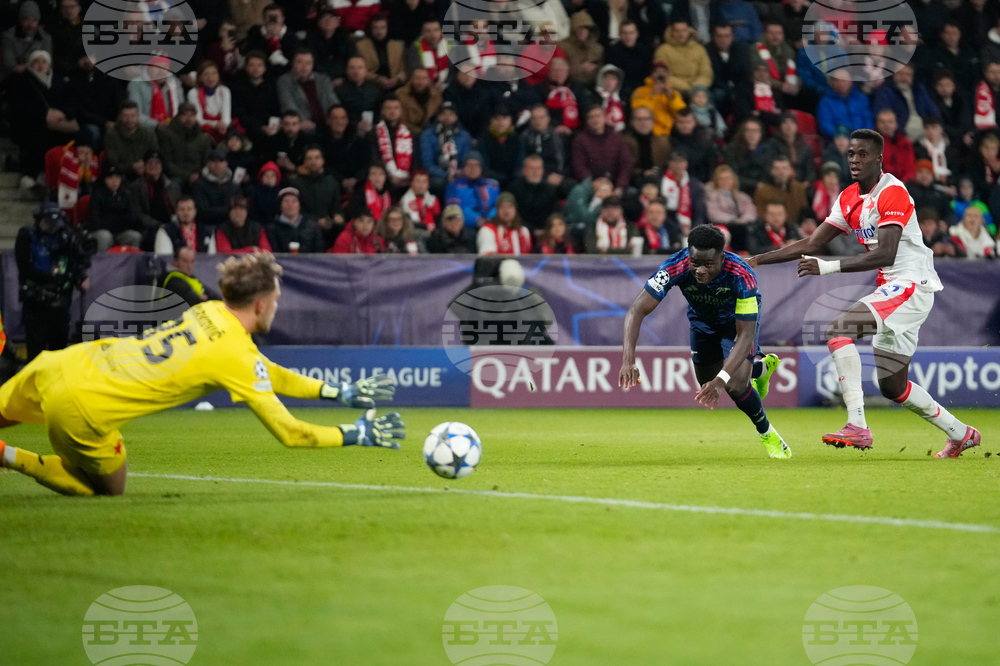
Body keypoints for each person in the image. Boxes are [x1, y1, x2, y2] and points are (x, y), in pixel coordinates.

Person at [0, 252, 404, 496]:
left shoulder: (207, 310)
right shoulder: (235, 355)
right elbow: (291, 433)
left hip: (60, 363)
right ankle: (8, 456)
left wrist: (336, 393)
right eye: (276, 300)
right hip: (83, 408)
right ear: (261, 305)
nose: (276, 308)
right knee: (108, 487)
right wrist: (357, 433)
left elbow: (269, 373)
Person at [748, 129, 980, 457]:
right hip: (893, 288)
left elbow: (885, 254)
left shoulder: (893, 192)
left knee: (837, 329)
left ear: (878, 158)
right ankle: (961, 433)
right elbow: (813, 243)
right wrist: (757, 260)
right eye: (851, 154)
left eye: (863, 155)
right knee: (893, 386)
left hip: (912, 284)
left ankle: (857, 425)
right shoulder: (848, 197)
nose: (855, 160)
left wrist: (827, 268)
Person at [620, 224, 792, 459]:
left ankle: (767, 433)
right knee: (706, 381)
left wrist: (721, 381)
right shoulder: (674, 266)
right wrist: (628, 360)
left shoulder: (741, 275)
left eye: (708, 264)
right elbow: (636, 310)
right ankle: (761, 368)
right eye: (695, 263)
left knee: (734, 383)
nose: (700, 270)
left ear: (722, 257)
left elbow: (745, 336)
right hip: (702, 324)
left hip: (737, 325)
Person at [15, 203, 89, 361]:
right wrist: (50, 277)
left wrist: (80, 276)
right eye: (48, 223)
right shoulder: (27, 235)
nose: (53, 228)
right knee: (36, 349)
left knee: (59, 349)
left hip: (61, 300)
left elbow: (75, 262)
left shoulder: (66, 236)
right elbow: (24, 268)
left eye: (55, 224)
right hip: (36, 299)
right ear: (40, 220)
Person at [871, 65, 940, 143]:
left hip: (925, 135)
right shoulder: (885, 92)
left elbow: (934, 112)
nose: (904, 77)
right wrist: (901, 135)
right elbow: (883, 118)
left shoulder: (919, 89)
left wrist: (932, 128)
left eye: (908, 75)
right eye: (900, 73)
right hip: (901, 136)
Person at [572, 105, 633, 191]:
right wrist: (594, 184)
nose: (595, 120)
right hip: (591, 186)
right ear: (587, 121)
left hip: (615, 184)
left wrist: (620, 186)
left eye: (598, 116)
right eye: (591, 117)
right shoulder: (580, 140)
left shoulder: (617, 137)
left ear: (605, 118)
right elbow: (580, 167)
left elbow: (625, 163)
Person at [277, 50, 339, 132]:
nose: (304, 66)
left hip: (326, 122)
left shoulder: (323, 80)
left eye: (308, 63)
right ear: (293, 63)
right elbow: (288, 105)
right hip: (302, 124)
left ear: (312, 65)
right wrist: (300, 121)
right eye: (300, 62)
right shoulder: (284, 81)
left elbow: (332, 100)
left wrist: (334, 118)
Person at [87, 164, 143, 252]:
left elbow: (133, 218)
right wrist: (118, 221)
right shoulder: (97, 195)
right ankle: (103, 264)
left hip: (120, 232)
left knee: (135, 236)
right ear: (105, 179)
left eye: (117, 178)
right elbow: (95, 222)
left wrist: (114, 222)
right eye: (111, 178)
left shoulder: (126, 194)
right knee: (105, 236)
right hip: (101, 231)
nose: (114, 181)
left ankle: (130, 263)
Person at [419, 101, 471, 193]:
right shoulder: (427, 135)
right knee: (437, 183)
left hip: (458, 173)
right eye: (443, 114)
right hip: (437, 174)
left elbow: (466, 159)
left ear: (456, 117)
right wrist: (446, 175)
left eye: (451, 114)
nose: (447, 117)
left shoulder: (464, 136)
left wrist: (456, 174)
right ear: (438, 116)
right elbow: (427, 162)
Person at [158, 102, 214, 187]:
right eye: (185, 115)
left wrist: (198, 174)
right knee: (173, 187)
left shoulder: (203, 137)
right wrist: (188, 176)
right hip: (176, 176)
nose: (189, 119)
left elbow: (207, 161)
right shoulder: (168, 135)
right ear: (178, 116)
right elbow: (167, 163)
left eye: (192, 115)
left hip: (199, 176)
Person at [129, 150, 179, 243]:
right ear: (144, 166)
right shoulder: (136, 187)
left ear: (162, 166)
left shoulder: (171, 185)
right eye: (150, 162)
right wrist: (159, 225)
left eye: (157, 163)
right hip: (149, 228)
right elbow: (138, 214)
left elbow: (177, 207)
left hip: (170, 224)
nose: (153, 165)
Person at [706, 23, 753, 122]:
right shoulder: (707, 51)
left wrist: (736, 90)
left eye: (727, 36)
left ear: (732, 37)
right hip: (718, 87)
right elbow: (711, 76)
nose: (723, 39)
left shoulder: (741, 49)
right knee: (718, 95)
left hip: (739, 87)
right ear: (713, 37)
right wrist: (729, 91)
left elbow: (746, 73)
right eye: (719, 36)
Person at [103, 100, 159, 181]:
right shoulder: (112, 135)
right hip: (121, 176)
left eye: (133, 116)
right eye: (126, 116)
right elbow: (111, 164)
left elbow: (154, 152)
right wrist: (132, 167)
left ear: (138, 116)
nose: (129, 120)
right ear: (120, 116)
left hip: (145, 173)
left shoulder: (148, 132)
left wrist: (149, 165)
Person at [652, 21, 713, 94]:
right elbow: (664, 75)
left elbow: (706, 73)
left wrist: (696, 87)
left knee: (704, 97)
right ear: (671, 33)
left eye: (684, 30)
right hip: (675, 89)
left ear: (690, 31)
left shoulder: (699, 49)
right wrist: (686, 87)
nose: (681, 34)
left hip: (698, 89)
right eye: (677, 31)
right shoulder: (663, 50)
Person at [706, 165, 756, 252]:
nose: (725, 181)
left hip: (742, 226)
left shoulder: (742, 196)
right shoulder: (712, 196)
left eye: (728, 178)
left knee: (751, 229)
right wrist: (734, 220)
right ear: (716, 181)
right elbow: (713, 214)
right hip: (723, 225)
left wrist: (744, 219)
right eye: (722, 179)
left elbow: (751, 211)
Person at [630, 62, 686, 137]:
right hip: (649, 131)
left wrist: (672, 97)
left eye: (663, 71)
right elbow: (639, 110)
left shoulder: (673, 92)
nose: (660, 74)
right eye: (657, 71)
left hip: (670, 132)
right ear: (651, 74)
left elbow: (682, 112)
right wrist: (653, 95)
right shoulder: (640, 91)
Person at [506, 155, 559, 234]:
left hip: (546, 232)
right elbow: (513, 215)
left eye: (538, 168)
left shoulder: (549, 189)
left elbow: (554, 213)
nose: (535, 172)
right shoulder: (514, 188)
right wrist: (533, 231)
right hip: (521, 230)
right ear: (524, 170)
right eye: (532, 169)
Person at [446, 152, 500, 228]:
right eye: (469, 165)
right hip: (465, 227)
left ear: (481, 168)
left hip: (490, 224)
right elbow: (453, 210)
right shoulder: (454, 186)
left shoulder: (492, 186)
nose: (473, 168)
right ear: (463, 167)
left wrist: (490, 219)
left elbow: (497, 206)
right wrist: (476, 220)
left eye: (476, 165)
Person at [1, 0, 51, 82]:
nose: (30, 24)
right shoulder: (8, 37)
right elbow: (9, 65)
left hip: (39, 78)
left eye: (34, 20)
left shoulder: (45, 38)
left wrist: (29, 67)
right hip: (12, 78)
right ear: (21, 21)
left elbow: (48, 64)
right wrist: (33, 66)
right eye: (27, 20)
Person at [372, 95, 414, 191]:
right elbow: (374, 158)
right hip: (384, 179)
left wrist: (411, 177)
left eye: (396, 108)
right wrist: (390, 177)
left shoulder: (409, 132)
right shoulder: (374, 132)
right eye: (389, 108)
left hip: (407, 180)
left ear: (401, 111)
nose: (392, 111)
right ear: (382, 111)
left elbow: (415, 158)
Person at [356, 13, 406, 91]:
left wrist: (397, 79)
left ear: (387, 28)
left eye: (382, 28)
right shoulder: (361, 46)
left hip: (396, 85)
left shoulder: (398, 46)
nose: (379, 31)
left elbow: (404, 70)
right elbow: (358, 70)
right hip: (370, 85)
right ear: (371, 29)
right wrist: (377, 78)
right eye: (375, 28)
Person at [762, 112, 815, 185]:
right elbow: (769, 167)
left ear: (796, 126)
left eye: (792, 123)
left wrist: (807, 183)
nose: (788, 126)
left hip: (801, 184)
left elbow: (811, 171)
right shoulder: (772, 144)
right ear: (780, 126)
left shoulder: (805, 147)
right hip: (779, 182)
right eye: (785, 123)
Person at [194, 149, 240, 229]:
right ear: (208, 164)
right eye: (214, 161)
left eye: (221, 161)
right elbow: (203, 211)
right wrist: (227, 211)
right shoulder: (199, 185)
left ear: (226, 164)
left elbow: (237, 209)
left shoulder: (234, 186)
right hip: (207, 226)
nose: (217, 164)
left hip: (230, 227)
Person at [188, 60, 233, 142]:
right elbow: (198, 120)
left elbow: (226, 117)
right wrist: (215, 124)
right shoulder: (193, 93)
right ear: (200, 77)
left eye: (214, 73)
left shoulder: (224, 91)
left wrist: (223, 125)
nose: (210, 78)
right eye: (206, 74)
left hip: (223, 128)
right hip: (203, 129)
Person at [606, 21, 651, 102]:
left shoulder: (644, 51)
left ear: (637, 34)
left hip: (642, 89)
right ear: (620, 34)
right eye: (625, 33)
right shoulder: (613, 51)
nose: (628, 36)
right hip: (622, 90)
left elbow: (648, 74)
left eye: (631, 33)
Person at [668, 108, 717, 184]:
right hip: (674, 181)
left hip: (700, 181)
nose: (685, 125)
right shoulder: (669, 141)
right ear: (675, 123)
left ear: (694, 122)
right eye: (681, 122)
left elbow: (710, 165)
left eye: (688, 122)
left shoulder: (705, 140)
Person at [268, 187, 324, 253]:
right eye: (286, 201)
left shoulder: (312, 227)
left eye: (294, 201)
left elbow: (320, 250)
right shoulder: (272, 228)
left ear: (299, 205)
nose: (290, 204)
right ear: (280, 206)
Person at [245, 4, 300, 70]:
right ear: (264, 19)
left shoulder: (291, 34)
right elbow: (251, 53)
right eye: (269, 17)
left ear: (282, 19)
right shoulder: (255, 32)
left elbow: (296, 55)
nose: (272, 20)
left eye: (275, 17)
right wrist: (265, 39)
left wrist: (281, 38)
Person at [754, 156, 808, 222]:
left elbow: (804, 210)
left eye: (784, 168)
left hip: (795, 228)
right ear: (772, 171)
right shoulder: (763, 191)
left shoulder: (799, 188)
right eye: (777, 169)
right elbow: (760, 214)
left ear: (790, 171)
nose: (781, 172)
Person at [479, 107, 522, 189]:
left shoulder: (517, 139)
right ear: (491, 121)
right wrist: (501, 179)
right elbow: (484, 165)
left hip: (514, 181)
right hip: (491, 181)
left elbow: (520, 163)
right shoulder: (484, 138)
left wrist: (512, 179)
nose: (500, 122)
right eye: (497, 119)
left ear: (510, 120)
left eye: (504, 118)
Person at [558, 11, 604, 87]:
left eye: (585, 28)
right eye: (579, 28)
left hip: (594, 86)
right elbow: (557, 70)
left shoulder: (598, 49)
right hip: (569, 86)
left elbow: (603, 72)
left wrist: (595, 69)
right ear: (573, 29)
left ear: (590, 31)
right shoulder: (562, 47)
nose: (582, 32)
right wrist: (580, 69)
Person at [723, 119, 768, 196]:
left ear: (761, 133)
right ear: (742, 133)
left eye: (755, 131)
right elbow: (733, 176)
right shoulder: (732, 150)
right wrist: (756, 184)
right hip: (739, 191)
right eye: (748, 130)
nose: (752, 134)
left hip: (762, 191)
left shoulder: (767, 150)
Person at [335, 56, 381, 124]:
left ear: (366, 71)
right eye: (352, 68)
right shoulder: (339, 91)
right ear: (347, 71)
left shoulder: (376, 89)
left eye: (360, 68)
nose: (356, 71)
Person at [876, 110, 916, 184]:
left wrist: (904, 183)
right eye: (882, 122)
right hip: (881, 184)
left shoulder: (905, 143)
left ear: (895, 123)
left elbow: (910, 168)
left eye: (890, 122)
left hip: (904, 184)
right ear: (877, 124)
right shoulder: (872, 142)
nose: (886, 125)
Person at [397, 67, 442, 132]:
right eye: (417, 78)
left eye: (424, 78)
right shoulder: (400, 95)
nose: (420, 82)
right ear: (411, 79)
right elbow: (401, 121)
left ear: (429, 80)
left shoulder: (436, 96)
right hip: (408, 133)